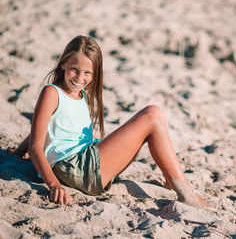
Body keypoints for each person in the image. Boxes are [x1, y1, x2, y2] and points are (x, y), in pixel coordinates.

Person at [8, 35, 209, 208]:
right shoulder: (52, 92)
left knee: (151, 118)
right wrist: (54, 186)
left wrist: (17, 153)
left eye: (87, 73)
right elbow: (36, 146)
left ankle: (172, 181)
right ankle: (186, 193)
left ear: (95, 74)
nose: (80, 77)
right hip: (74, 168)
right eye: (74, 69)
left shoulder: (81, 94)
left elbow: (46, 126)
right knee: (153, 115)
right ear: (63, 64)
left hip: (83, 161)